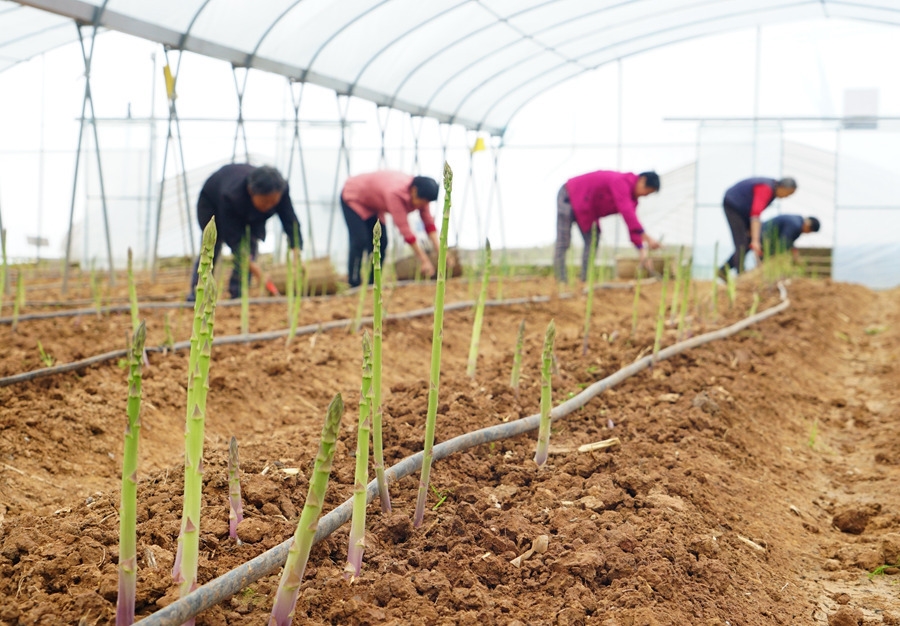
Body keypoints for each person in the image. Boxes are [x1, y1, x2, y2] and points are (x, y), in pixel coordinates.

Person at [187, 164, 303, 301]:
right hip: (212, 204)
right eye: (266, 201)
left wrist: (297, 253)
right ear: (251, 191)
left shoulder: (280, 190)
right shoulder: (231, 195)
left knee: (251, 244)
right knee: (211, 246)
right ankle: (197, 293)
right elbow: (233, 236)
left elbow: (290, 219)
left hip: (250, 213)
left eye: (274, 202)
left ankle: (238, 294)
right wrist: (258, 272)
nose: (270, 205)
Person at [554, 169, 662, 283]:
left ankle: (585, 279)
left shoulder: (632, 201)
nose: (645, 195)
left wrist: (642, 250)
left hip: (588, 210)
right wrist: (647, 237)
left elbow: (632, 224)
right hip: (570, 194)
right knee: (563, 240)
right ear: (642, 180)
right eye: (647, 191)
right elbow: (626, 211)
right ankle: (561, 279)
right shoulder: (622, 182)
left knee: (592, 240)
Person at [340, 171, 440, 288]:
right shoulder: (395, 193)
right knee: (360, 240)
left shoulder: (423, 195)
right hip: (354, 197)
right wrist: (424, 260)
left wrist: (441, 253)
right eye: (422, 202)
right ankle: (354, 282)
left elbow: (429, 223)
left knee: (382, 243)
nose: (424, 205)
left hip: (374, 205)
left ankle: (373, 283)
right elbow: (405, 229)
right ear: (413, 191)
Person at [719, 176, 797, 279]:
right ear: (782, 187)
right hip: (734, 205)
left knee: (747, 242)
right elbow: (756, 214)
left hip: (744, 211)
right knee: (742, 243)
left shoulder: (772, 191)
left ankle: (723, 270)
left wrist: (753, 237)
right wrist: (755, 240)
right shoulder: (766, 189)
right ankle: (740, 274)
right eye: (788, 193)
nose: (787, 197)